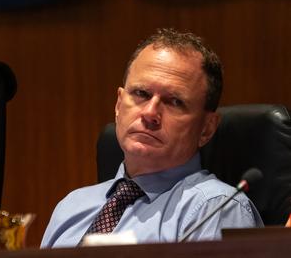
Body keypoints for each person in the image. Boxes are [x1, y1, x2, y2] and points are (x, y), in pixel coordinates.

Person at [42, 28, 263, 248]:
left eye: (174, 101)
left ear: (206, 129)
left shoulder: (215, 209)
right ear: (119, 105)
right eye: (141, 94)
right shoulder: (71, 207)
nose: (150, 113)